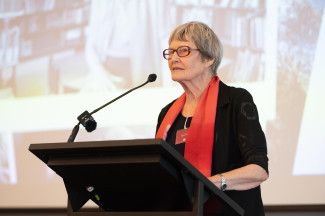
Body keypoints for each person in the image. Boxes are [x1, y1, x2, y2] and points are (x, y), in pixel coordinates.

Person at [155, 21, 269, 215]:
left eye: (183, 50)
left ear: (209, 58)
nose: (173, 58)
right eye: (170, 52)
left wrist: (206, 184)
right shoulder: (167, 114)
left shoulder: (235, 102)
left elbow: (258, 170)